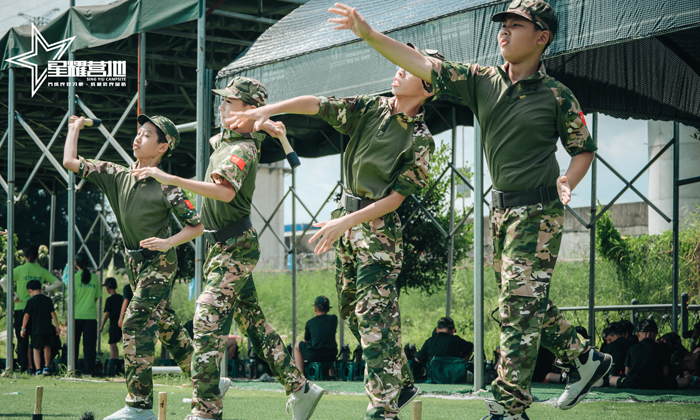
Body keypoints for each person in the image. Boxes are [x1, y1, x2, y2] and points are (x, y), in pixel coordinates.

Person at [324, 1, 611, 418]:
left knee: (517, 305)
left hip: (540, 211)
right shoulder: (481, 81)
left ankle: (508, 407)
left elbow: (582, 150)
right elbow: (422, 64)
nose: (504, 32)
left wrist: (569, 178)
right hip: (502, 213)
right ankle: (585, 359)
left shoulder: (558, 96)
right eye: (503, 25)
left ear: (542, 37)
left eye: (516, 25)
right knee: (524, 301)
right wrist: (367, 34)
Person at [227, 40, 437, 420]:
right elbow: (319, 104)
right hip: (347, 223)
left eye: (407, 68)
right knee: (352, 313)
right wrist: (270, 108)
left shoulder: (420, 140)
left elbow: (395, 200)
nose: (397, 70)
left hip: (378, 235)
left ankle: (382, 407)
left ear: (427, 86)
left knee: (374, 318)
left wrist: (345, 222)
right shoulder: (372, 108)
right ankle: (401, 381)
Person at [131, 77, 323, 420]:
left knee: (206, 320)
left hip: (235, 247)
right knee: (254, 325)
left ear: (247, 108)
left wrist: (171, 179)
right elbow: (214, 137)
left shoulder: (243, 150)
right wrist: (260, 122)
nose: (220, 107)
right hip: (222, 246)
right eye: (222, 102)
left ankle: (206, 410)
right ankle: (301, 389)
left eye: (228, 103)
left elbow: (223, 193)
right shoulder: (231, 139)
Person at [64, 114, 212, 420]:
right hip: (135, 262)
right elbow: (70, 162)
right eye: (139, 133)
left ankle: (139, 405)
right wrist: (74, 128)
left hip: (160, 262)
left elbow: (197, 226)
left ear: (162, 147)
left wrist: (169, 242)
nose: (137, 138)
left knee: (132, 324)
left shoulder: (166, 185)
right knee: (168, 328)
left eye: (146, 135)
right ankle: (208, 381)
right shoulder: (115, 174)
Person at [3, 244, 61, 373]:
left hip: (21, 308)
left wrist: (13, 295)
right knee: (38, 341)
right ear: (36, 257)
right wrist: (45, 290)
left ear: (25, 256)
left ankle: (25, 367)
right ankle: (38, 367)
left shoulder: (19, 269)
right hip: (38, 311)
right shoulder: (41, 270)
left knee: (22, 340)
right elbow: (57, 283)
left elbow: (3, 281)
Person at [610, 319, 694, 390]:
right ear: (656, 334)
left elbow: (627, 372)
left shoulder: (632, 348)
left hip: (635, 383)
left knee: (612, 379)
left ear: (638, 334)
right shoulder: (661, 348)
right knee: (686, 381)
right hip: (658, 384)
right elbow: (666, 373)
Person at [21, 280, 60, 375]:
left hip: (36, 329)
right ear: (41, 289)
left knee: (36, 349)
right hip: (48, 328)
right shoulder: (47, 300)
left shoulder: (30, 301)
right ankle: (46, 367)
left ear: (29, 290)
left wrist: (23, 328)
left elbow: (26, 316)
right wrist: (57, 326)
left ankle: (38, 369)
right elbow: (53, 314)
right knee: (47, 347)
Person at [294, 296, 338, 375]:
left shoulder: (310, 323)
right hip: (331, 355)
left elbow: (306, 341)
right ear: (328, 309)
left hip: (315, 355)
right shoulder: (334, 319)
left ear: (315, 309)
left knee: (297, 344)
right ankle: (331, 374)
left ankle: (300, 375)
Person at [73, 253, 101, 376]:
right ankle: (88, 371)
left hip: (76, 315)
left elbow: (71, 299)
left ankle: (72, 368)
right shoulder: (95, 278)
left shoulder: (74, 278)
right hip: (90, 316)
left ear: (75, 264)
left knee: (74, 344)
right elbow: (96, 298)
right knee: (89, 346)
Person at [101, 277, 123, 360]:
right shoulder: (122, 298)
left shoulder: (109, 300)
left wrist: (102, 325)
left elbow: (107, 313)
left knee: (112, 343)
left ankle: (114, 359)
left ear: (107, 288)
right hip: (122, 321)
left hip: (113, 323)